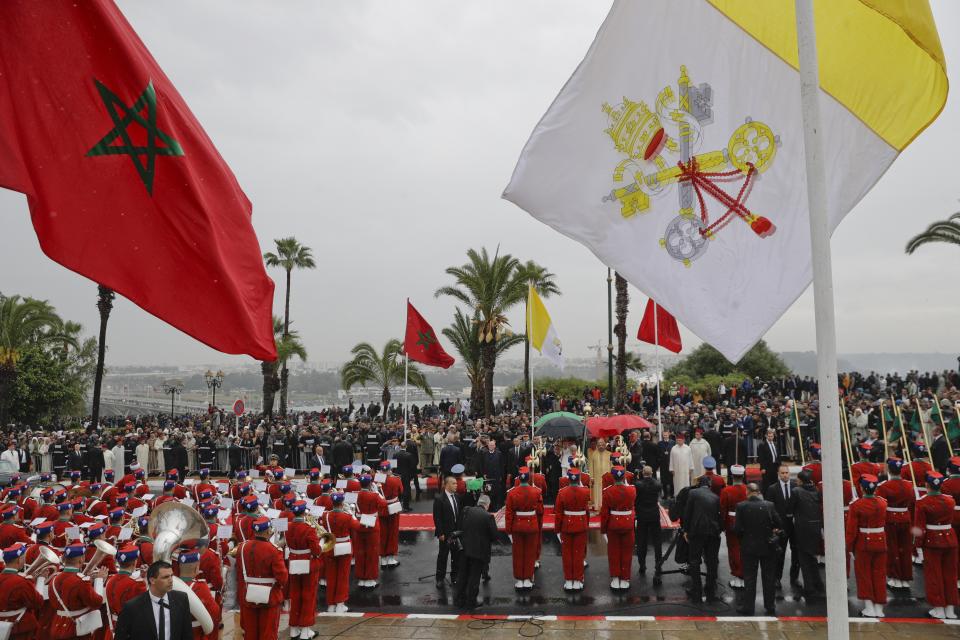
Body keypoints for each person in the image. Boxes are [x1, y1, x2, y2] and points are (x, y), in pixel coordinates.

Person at [913, 471, 958, 619]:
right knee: (950, 575)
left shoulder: (922, 502)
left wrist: (917, 547)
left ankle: (938, 608)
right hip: (950, 538)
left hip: (932, 541)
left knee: (934, 575)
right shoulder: (950, 500)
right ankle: (950, 609)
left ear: (927, 485)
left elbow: (919, 528)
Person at [235, 517, 288, 640]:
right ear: (268, 531)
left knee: (250, 633)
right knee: (268, 633)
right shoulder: (274, 550)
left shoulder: (242, 547)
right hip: (270, 597)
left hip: (248, 595)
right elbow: (282, 578)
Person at [733, 482, 782, 616]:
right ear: (758, 492)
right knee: (769, 578)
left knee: (750, 578)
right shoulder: (769, 505)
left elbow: (737, 529)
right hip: (767, 546)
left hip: (749, 547)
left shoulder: (741, 506)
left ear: (747, 492)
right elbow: (779, 523)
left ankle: (748, 607)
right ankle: (770, 605)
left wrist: (744, 538)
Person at [113, 560, 192, 640]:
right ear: (152, 580)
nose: (171, 580)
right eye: (165, 577)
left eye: (171, 576)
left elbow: (187, 634)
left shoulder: (181, 599)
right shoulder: (132, 607)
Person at [846, 474, 888, 618]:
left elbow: (851, 530)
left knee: (864, 574)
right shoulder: (883, 502)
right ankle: (879, 608)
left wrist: (849, 547)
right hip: (880, 540)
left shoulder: (856, 505)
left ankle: (869, 607)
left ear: (862, 488)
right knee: (879, 574)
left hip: (864, 542)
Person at [49, 542, 108, 640]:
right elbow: (96, 602)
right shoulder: (81, 581)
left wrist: (89, 583)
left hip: (57, 625)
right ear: (81, 559)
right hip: (75, 629)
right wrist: (99, 580)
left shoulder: (54, 579)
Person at [876, 457, 915, 589]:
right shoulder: (909, 485)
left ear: (889, 469)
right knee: (905, 549)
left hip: (891, 519)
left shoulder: (884, 486)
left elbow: (880, 506)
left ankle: (894, 577)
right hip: (905, 517)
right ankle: (905, 578)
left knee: (893, 549)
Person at [453, 494, 498, 610]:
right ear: (487, 505)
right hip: (479, 551)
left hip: (464, 548)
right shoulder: (488, 517)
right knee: (474, 576)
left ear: (478, 502)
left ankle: (458, 599)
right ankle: (471, 601)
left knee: (462, 574)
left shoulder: (466, 510)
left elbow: (460, 526)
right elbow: (494, 536)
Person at [286, 501, 322, 640]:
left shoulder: (288, 526)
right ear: (303, 512)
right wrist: (321, 543)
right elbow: (316, 550)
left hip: (294, 562)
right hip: (308, 563)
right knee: (308, 596)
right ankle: (306, 630)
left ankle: (294, 629)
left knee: (295, 595)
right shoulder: (308, 528)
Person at [683, 475, 722, 603]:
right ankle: (710, 589)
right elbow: (718, 516)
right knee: (711, 562)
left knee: (694, 561)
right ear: (709, 485)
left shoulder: (693, 493)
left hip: (697, 531)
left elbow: (688, 513)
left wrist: (685, 530)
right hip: (712, 532)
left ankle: (697, 590)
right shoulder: (715, 497)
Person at [504, 466, 543, 589]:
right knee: (530, 553)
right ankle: (527, 578)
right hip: (531, 524)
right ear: (529, 478)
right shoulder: (537, 492)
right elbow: (540, 510)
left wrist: (508, 530)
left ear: (519, 479)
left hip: (517, 525)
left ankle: (520, 580)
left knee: (518, 553)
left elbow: (509, 513)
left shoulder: (512, 493)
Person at [321, 492, 360, 613]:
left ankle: (331, 604)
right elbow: (357, 527)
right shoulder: (347, 516)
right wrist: (352, 514)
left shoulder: (325, 515)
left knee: (331, 576)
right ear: (342, 503)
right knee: (342, 576)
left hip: (330, 546)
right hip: (344, 547)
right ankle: (340, 603)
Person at [788, 469, 824, 597]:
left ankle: (809, 587)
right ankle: (818, 583)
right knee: (812, 557)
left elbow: (790, 509)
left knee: (804, 558)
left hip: (802, 528)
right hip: (815, 527)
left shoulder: (796, 491)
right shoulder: (816, 491)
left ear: (801, 480)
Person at [764, 465, 800, 588]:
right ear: (779, 474)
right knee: (779, 554)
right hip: (780, 527)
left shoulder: (796, 487)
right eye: (783, 473)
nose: (785, 475)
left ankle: (794, 578)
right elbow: (769, 509)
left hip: (794, 527)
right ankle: (777, 578)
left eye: (787, 473)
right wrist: (772, 527)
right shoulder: (772, 489)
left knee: (796, 554)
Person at [600, 465, 635, 590]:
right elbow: (632, 508)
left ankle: (615, 578)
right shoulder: (632, 490)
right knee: (627, 552)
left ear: (613, 477)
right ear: (624, 476)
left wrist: (603, 529)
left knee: (614, 552)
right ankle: (625, 578)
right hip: (628, 523)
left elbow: (604, 512)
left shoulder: (607, 491)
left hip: (613, 523)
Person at [0, 542, 43, 640]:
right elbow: (38, 603)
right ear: (19, 559)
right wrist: (41, 579)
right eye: (24, 557)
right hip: (19, 628)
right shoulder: (22, 582)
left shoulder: (22, 581)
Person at [555, 468, 590, 590]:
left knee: (567, 554)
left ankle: (569, 580)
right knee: (579, 554)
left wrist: (557, 529)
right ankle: (578, 579)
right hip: (580, 525)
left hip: (567, 525)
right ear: (579, 479)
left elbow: (558, 513)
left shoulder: (562, 492)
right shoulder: (586, 491)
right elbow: (587, 511)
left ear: (568, 478)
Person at [720, 465, 748, 588]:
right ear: (742, 476)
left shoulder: (726, 491)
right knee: (745, 550)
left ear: (732, 476)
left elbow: (723, 510)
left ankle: (737, 576)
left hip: (731, 523)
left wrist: (723, 525)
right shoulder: (747, 489)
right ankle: (744, 576)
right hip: (746, 523)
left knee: (734, 550)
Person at [433, 475, 462, 589]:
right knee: (443, 556)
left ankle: (454, 577)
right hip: (445, 534)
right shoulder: (439, 499)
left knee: (456, 556)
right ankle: (440, 579)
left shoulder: (457, 497)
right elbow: (437, 518)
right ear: (447, 484)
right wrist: (440, 533)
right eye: (454, 483)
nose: (456, 485)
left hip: (456, 533)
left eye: (456, 483)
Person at [633, 465, 662, 576]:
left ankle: (642, 565)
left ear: (643, 473)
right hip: (654, 514)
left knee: (641, 541)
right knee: (657, 541)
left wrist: (637, 477)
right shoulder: (657, 484)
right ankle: (658, 564)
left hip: (642, 515)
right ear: (652, 473)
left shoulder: (638, 485)